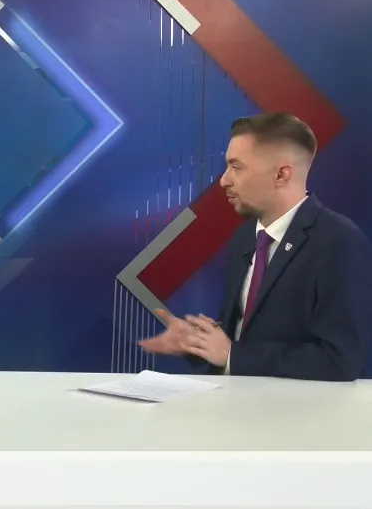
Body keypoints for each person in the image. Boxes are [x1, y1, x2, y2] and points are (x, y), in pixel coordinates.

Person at [140, 112, 372, 381]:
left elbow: (339, 360)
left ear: (281, 174)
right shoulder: (245, 238)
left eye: (236, 167)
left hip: (295, 408)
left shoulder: (339, 241)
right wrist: (197, 343)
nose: (224, 180)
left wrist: (232, 355)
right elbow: (239, 340)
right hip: (235, 403)